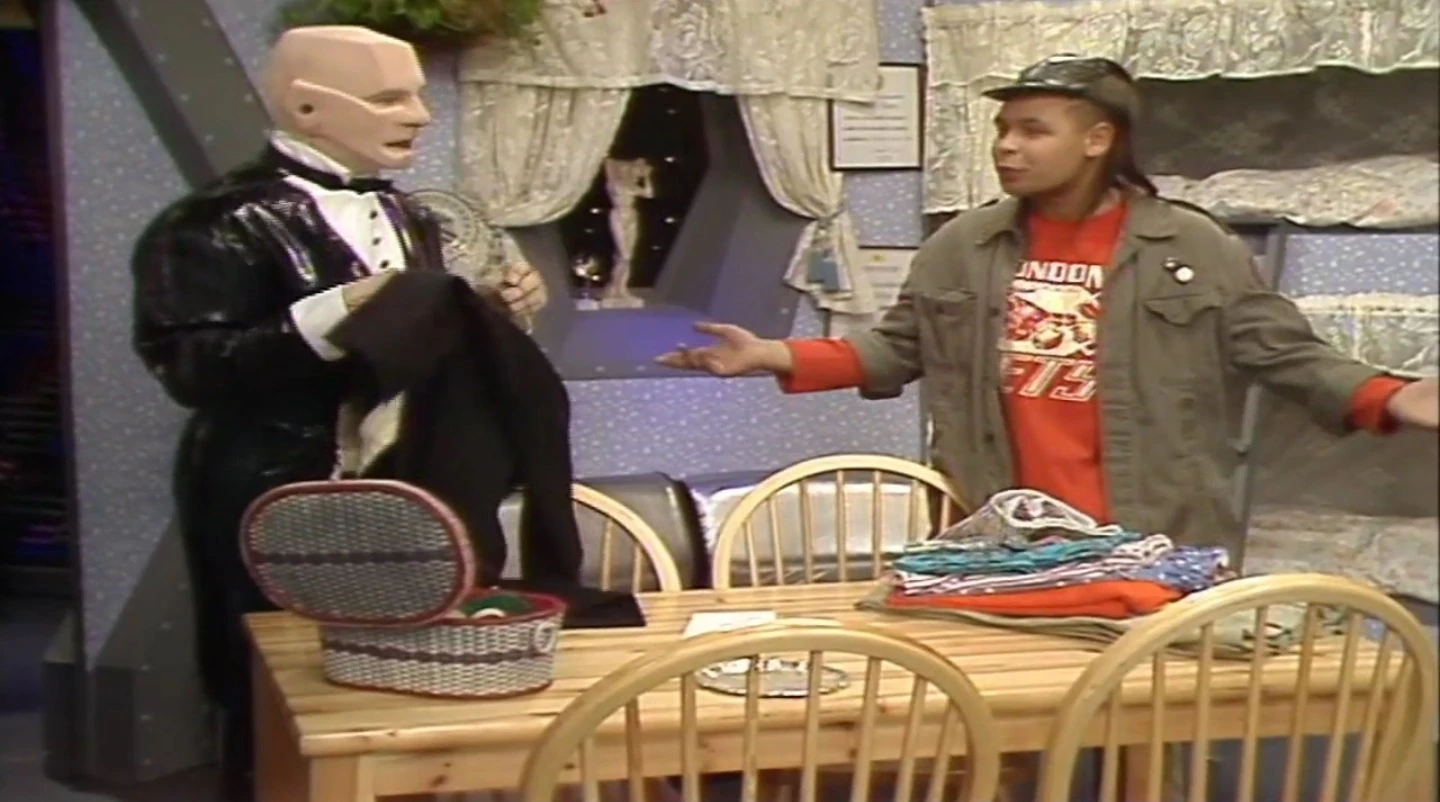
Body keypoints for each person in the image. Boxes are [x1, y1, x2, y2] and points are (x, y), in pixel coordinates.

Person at [658, 54, 1439, 555]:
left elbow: (1284, 352)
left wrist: (1391, 395)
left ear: (1098, 140)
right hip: (1001, 538)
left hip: (1148, 538)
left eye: (1033, 130)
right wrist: (771, 355)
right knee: (1005, 722)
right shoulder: (964, 245)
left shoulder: (1190, 247)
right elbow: (898, 348)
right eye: (1003, 129)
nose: (1007, 145)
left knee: (1142, 729)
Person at [129, 26, 545, 801]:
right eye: (389, 97)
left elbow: (412, 348)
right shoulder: (211, 223)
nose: (420, 114)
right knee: (271, 690)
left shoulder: (410, 216)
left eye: (417, 94)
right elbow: (189, 367)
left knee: (398, 673)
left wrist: (485, 311)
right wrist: (335, 313)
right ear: (307, 107)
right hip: (271, 485)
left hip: (403, 483)